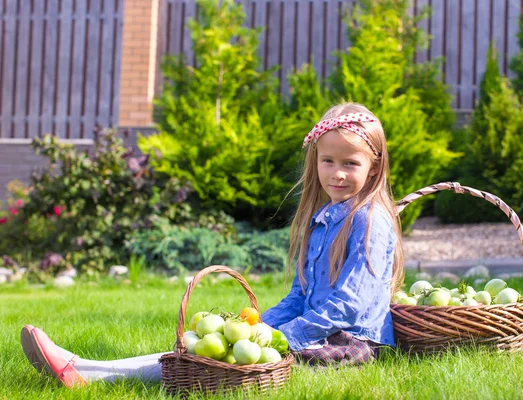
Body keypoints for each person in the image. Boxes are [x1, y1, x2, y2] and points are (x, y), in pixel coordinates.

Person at [20, 102, 404, 387]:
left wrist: (285, 337)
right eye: (327, 161)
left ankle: (92, 375)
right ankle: (87, 368)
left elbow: (347, 305)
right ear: (315, 161)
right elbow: (300, 295)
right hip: (318, 332)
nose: (336, 173)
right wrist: (257, 326)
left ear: (374, 165)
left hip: (349, 343)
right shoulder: (322, 222)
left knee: (222, 363)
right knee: (216, 347)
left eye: (350, 163)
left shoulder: (370, 221)